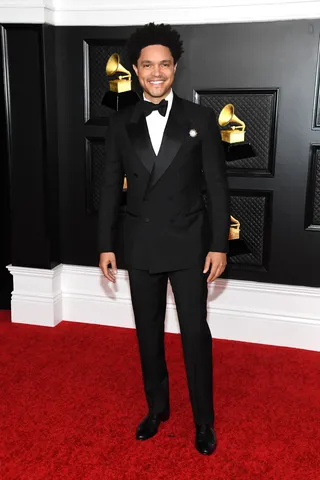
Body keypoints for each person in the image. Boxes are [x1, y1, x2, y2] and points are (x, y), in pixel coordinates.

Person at [98, 22, 230, 456]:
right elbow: (107, 188)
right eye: (148, 65)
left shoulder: (200, 118)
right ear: (135, 70)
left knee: (195, 333)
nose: (157, 73)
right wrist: (106, 243)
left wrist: (219, 244)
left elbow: (216, 186)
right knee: (147, 332)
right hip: (141, 243)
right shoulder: (120, 122)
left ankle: (203, 421)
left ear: (176, 67)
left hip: (190, 244)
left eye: (165, 65)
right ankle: (157, 409)